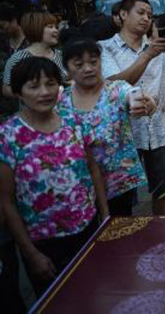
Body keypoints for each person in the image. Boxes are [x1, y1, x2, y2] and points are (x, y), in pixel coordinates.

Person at [0, 57, 108, 296]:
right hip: (45, 243)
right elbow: (6, 201)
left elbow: (93, 170)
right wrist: (31, 253)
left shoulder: (74, 122)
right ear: (19, 92)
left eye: (50, 84)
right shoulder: (8, 137)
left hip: (87, 228)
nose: (44, 92)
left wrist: (105, 215)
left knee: (96, 292)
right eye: (33, 86)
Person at [99, 0, 165, 215]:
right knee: (122, 200)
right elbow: (114, 84)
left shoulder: (157, 50)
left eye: (150, 15)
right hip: (123, 135)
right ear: (123, 15)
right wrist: (148, 54)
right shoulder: (106, 49)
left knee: (163, 192)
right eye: (141, 12)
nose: (146, 18)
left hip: (159, 131)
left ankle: (162, 238)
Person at [60, 38, 155, 216]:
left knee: (118, 229)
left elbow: (134, 94)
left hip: (118, 181)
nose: (88, 68)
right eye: (79, 64)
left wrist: (146, 102)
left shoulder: (116, 90)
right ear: (67, 69)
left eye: (93, 62)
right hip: (80, 184)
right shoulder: (60, 101)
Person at [2, 11, 67, 98]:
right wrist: (31, 94)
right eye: (50, 27)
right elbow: (6, 89)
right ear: (36, 28)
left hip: (62, 109)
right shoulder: (18, 58)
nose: (56, 30)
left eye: (56, 27)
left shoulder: (61, 55)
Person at [0, 4, 28, 120]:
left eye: (2, 26)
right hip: (12, 108)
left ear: (13, 20)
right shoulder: (3, 46)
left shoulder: (32, 41)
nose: (1, 30)